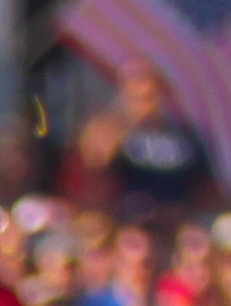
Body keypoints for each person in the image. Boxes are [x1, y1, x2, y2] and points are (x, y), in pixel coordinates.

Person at [74, 64, 214, 214]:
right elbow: (94, 178)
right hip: (125, 214)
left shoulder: (184, 136)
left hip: (175, 213)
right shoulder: (107, 131)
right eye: (137, 98)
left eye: (151, 97)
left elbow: (203, 183)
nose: (145, 105)